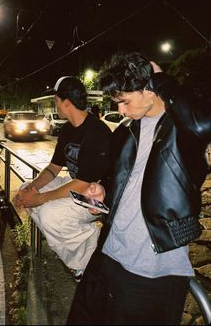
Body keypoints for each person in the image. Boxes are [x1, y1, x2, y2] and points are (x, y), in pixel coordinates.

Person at [67, 52, 211, 325]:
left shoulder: (183, 129)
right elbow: (120, 181)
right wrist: (103, 191)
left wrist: (161, 79)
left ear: (149, 90)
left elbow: (203, 122)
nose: (120, 110)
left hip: (153, 267)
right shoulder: (125, 131)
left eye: (125, 101)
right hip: (108, 253)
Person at [14, 76, 111, 281]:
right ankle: (77, 238)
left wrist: (41, 199)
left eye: (56, 100)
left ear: (66, 102)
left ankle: (86, 262)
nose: (55, 104)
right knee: (27, 188)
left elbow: (84, 182)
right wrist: (30, 190)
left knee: (50, 214)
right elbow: (53, 168)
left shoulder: (97, 131)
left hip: (97, 198)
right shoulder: (67, 130)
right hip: (77, 188)